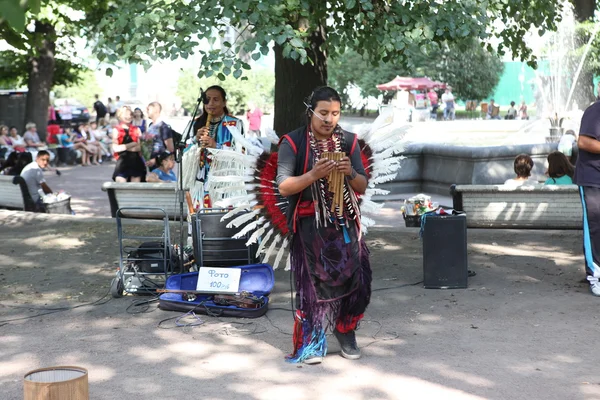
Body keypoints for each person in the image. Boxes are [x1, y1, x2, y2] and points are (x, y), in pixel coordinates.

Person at [277, 86, 371, 364]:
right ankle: (312, 339)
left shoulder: (349, 142)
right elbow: (284, 186)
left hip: (344, 223)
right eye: (323, 113)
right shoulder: (292, 142)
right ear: (310, 112)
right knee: (313, 285)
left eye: (335, 114)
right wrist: (313, 174)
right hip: (309, 223)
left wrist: (350, 172)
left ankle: (346, 331)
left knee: (357, 280)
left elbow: (362, 185)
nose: (329, 119)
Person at [187, 85, 245, 209]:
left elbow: (241, 155)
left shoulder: (235, 124)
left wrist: (216, 146)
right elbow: (182, 152)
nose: (211, 103)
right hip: (200, 183)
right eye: (207, 100)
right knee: (200, 222)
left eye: (216, 99)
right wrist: (195, 140)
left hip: (225, 185)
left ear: (224, 102)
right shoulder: (195, 124)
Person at [573, 101, 600, 296]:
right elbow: (583, 141)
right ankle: (595, 275)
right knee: (594, 227)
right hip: (593, 179)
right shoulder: (595, 111)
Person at [111, 106, 146, 182]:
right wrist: (132, 144)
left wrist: (124, 148)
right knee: (120, 186)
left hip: (136, 162)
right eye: (125, 114)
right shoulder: (116, 130)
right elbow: (115, 148)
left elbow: (140, 147)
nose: (128, 116)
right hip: (122, 162)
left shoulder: (137, 129)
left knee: (135, 188)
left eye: (130, 114)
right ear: (120, 115)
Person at [146, 102, 174, 169]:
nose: (147, 111)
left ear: (156, 110)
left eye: (148, 109)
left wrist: (156, 159)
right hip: (150, 164)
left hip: (160, 167)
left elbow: (170, 149)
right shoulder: (151, 126)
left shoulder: (163, 127)